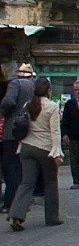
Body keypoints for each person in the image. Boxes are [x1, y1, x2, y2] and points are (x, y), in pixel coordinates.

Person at [7, 78, 64, 231]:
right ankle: (52, 217)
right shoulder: (52, 107)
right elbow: (55, 131)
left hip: (26, 148)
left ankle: (16, 215)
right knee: (50, 183)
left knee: (26, 183)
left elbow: (22, 127)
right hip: (45, 149)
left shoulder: (28, 105)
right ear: (49, 91)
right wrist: (57, 152)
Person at [0, 64, 36, 213]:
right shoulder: (34, 85)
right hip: (29, 132)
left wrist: (1, 112)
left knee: (11, 169)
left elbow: (9, 102)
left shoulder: (15, 84)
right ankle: (23, 203)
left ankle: (10, 203)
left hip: (12, 131)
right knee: (24, 169)